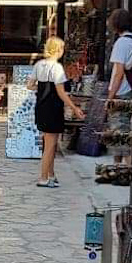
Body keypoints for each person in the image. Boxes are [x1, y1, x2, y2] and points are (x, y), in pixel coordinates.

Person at [32, 35, 83, 187]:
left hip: (41, 106)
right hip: (53, 107)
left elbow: (29, 85)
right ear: (58, 50)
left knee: (49, 143)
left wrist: (41, 90)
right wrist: (74, 107)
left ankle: (51, 174)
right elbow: (61, 92)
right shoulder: (57, 68)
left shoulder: (39, 64)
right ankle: (43, 177)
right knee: (50, 145)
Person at [107, 8, 132, 102]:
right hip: (131, 87)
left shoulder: (121, 43)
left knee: (118, 116)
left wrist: (110, 98)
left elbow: (119, 73)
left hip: (121, 91)